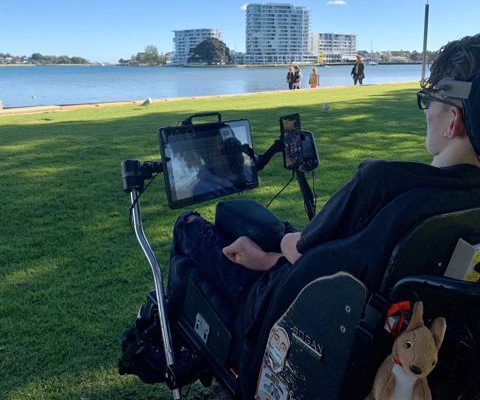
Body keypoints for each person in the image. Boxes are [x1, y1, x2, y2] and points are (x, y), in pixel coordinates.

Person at [166, 34, 480, 382]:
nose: (427, 113)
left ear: (453, 120)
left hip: (284, 311)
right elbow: (347, 263)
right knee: (253, 224)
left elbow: (303, 252)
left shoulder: (382, 183)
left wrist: (272, 255)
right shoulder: (457, 206)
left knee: (190, 226)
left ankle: (168, 349)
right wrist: (275, 255)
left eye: (429, 100)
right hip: (373, 336)